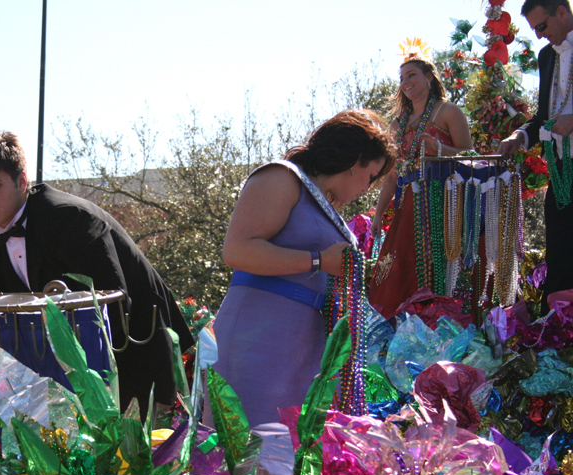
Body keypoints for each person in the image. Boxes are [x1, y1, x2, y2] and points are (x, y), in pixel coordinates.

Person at [0, 131, 194, 420]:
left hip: (135, 361)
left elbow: (112, 301)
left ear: (22, 182)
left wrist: (78, 385)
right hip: (69, 381)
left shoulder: (67, 219)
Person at [211, 110, 397, 428]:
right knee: (245, 452)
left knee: (285, 460)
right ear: (356, 161)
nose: (369, 188)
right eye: (372, 176)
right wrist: (319, 261)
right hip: (260, 339)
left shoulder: (322, 206)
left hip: (302, 350)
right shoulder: (282, 177)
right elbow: (237, 251)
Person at [368, 55, 473, 318]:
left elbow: (469, 156)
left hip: (441, 202)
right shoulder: (397, 124)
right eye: (402, 78)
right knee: (395, 266)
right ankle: (393, 324)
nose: (405, 82)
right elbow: (392, 176)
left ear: (429, 77)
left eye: (412, 75)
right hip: (406, 207)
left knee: (436, 264)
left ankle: (436, 320)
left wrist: (439, 149)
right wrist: (379, 214)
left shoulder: (448, 111)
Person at [499, 0, 573, 312]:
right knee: (560, 245)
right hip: (559, 167)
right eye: (534, 30)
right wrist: (520, 135)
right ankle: (561, 327)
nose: (540, 36)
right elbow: (543, 113)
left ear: (561, 11)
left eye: (541, 26)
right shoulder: (546, 57)